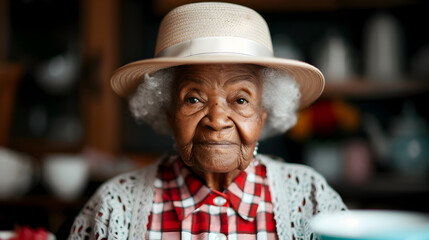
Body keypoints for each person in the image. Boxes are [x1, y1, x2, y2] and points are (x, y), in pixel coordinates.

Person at [68, 2, 346, 240]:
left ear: (263, 115)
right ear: (168, 113)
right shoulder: (115, 208)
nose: (216, 120)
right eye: (194, 99)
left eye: (240, 100)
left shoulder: (311, 199)